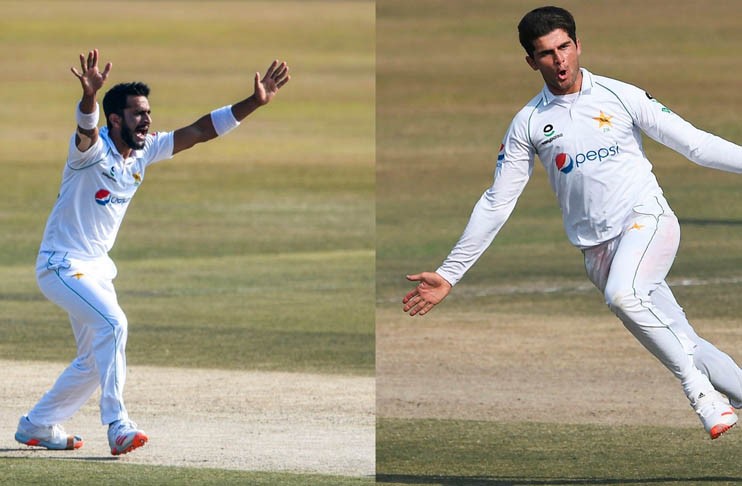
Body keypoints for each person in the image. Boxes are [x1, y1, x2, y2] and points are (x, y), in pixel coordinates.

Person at [402, 6, 741, 439]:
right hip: (596, 252)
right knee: (683, 342)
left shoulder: (620, 95)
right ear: (531, 61)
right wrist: (450, 273)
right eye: (546, 53)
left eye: (565, 47)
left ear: (579, 45)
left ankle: (701, 396)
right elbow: (497, 202)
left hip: (646, 221)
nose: (559, 60)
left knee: (623, 295)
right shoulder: (528, 123)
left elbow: (696, 145)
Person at [15, 49, 290, 455]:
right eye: (137, 114)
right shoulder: (90, 153)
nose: (146, 120)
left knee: (93, 360)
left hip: (96, 270)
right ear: (115, 119)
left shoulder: (143, 153)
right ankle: (118, 424)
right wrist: (89, 97)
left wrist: (254, 102)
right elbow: (85, 128)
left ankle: (37, 424)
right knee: (114, 325)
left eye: (148, 113)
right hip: (61, 265)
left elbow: (199, 131)